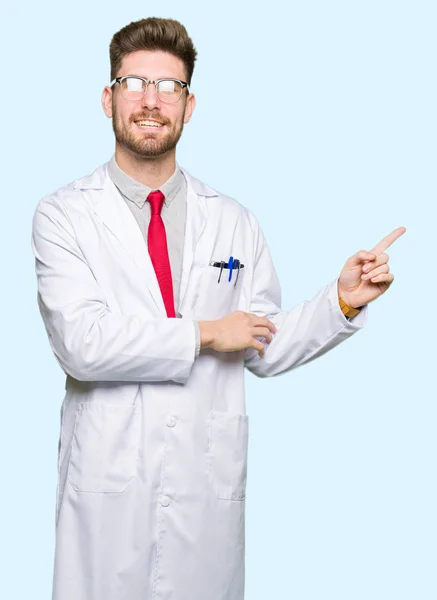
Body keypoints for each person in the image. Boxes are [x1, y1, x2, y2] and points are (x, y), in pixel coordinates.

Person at [31, 16, 406, 600]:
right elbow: (83, 345)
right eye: (134, 83)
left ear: (190, 105)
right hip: (107, 497)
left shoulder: (232, 219)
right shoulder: (63, 216)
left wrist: (339, 302)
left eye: (169, 87)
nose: (151, 101)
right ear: (108, 98)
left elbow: (261, 340)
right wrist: (206, 333)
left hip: (201, 499)